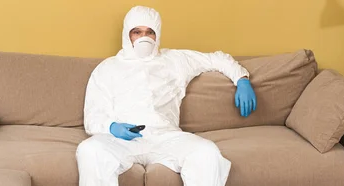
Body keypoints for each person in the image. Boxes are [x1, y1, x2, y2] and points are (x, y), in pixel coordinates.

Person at [75, 5, 257, 186]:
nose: (143, 38)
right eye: (137, 32)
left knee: (206, 152)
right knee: (89, 150)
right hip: (121, 140)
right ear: (127, 34)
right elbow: (93, 114)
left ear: (157, 35)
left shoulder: (175, 60)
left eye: (149, 32)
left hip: (166, 137)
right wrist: (112, 127)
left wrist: (241, 79)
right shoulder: (107, 68)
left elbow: (216, 58)